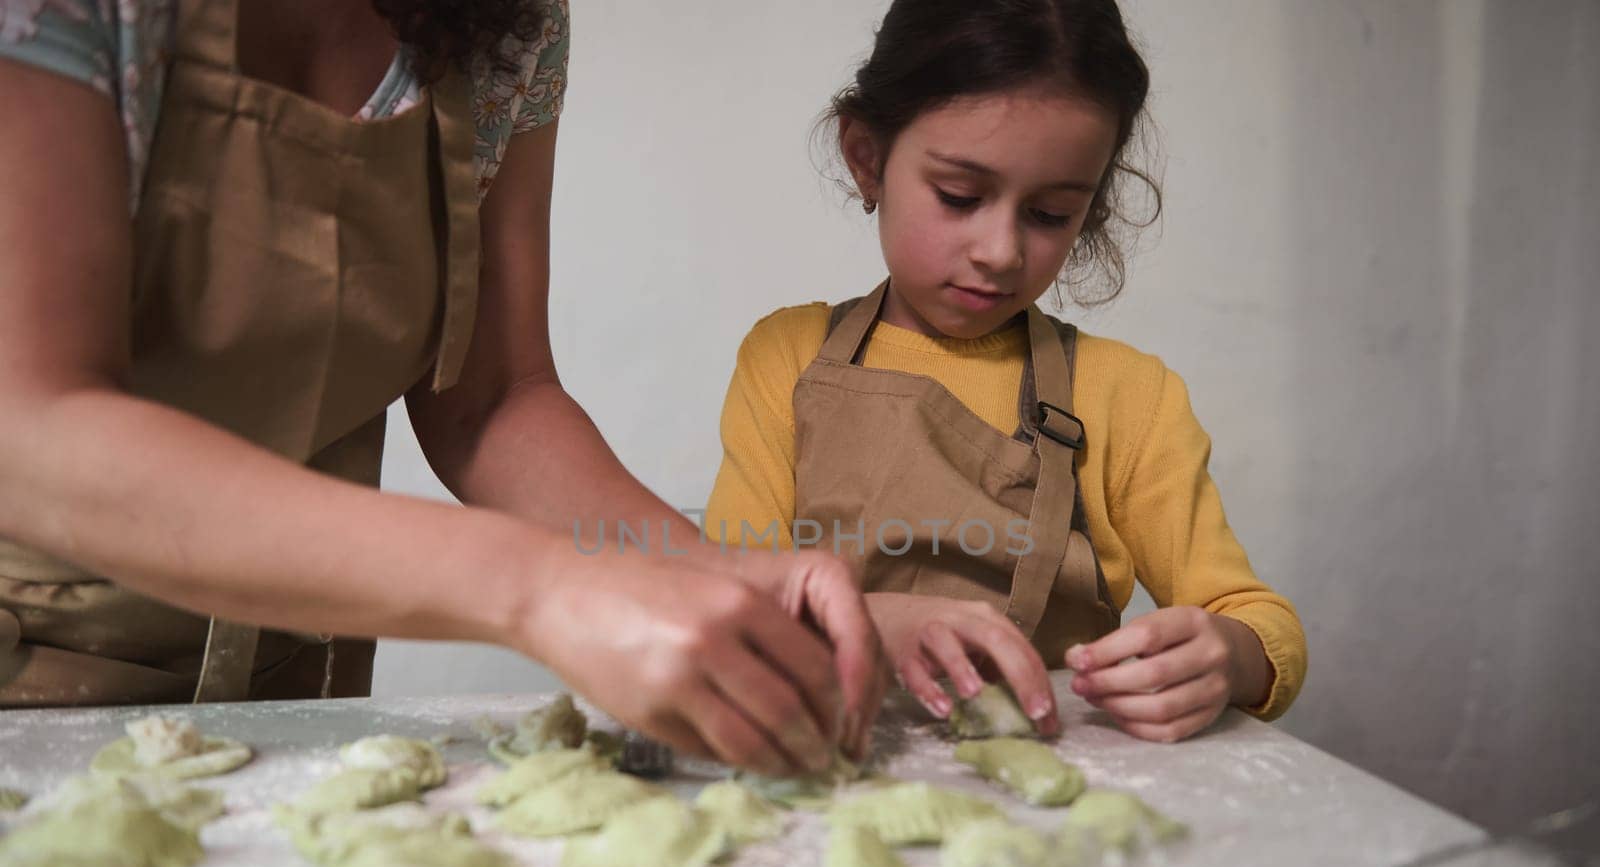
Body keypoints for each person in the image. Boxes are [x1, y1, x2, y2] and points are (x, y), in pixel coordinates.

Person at [0, 0, 887, 775]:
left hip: (295, 690)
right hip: (30, 683)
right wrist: (544, 588)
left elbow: (493, 395)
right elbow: (32, 423)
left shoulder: (504, 18)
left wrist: (719, 582)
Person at [704, 0, 1307, 743]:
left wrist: (1232, 657)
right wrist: (874, 624)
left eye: (1051, 214)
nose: (1001, 251)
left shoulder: (1126, 395)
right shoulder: (787, 357)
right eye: (960, 197)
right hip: (835, 761)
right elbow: (731, 601)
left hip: (1056, 781)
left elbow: (1256, 618)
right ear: (867, 157)